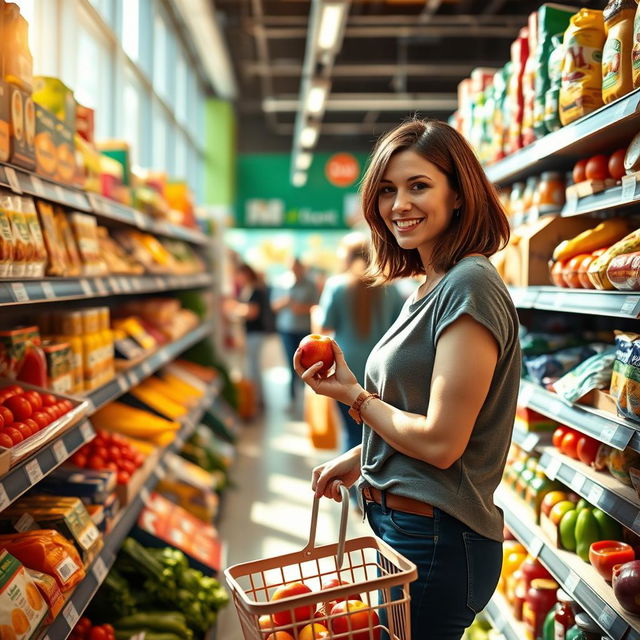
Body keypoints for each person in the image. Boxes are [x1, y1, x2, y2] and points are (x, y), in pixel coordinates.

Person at [294, 119, 521, 640]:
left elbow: (442, 443)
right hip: (406, 529)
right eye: (387, 191)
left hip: (438, 541)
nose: (399, 205)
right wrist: (359, 459)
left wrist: (355, 397)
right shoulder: (430, 286)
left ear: (459, 194)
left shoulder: (470, 285)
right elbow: (420, 412)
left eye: (419, 186)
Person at [316, 232, 404, 453]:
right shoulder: (390, 287)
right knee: (378, 431)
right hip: (381, 370)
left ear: (346, 257)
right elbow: (400, 329)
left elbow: (325, 327)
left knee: (351, 432)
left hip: (344, 368)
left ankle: (352, 481)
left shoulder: (336, 286)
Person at [272, 257, 319, 402]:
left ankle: (308, 398)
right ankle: (292, 398)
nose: (295, 270)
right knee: (291, 364)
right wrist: (285, 302)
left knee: (307, 365)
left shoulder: (311, 284)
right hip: (286, 329)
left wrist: (302, 308)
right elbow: (273, 306)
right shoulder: (281, 283)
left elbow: (316, 306)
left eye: (297, 267)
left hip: (304, 330)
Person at [227, 262, 269, 410]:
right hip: (251, 333)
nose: (237, 278)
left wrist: (234, 309)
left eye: (239, 274)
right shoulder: (248, 289)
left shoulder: (256, 290)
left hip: (255, 333)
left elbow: (253, 312)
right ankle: (256, 400)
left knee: (253, 368)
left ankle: (257, 401)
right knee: (252, 367)